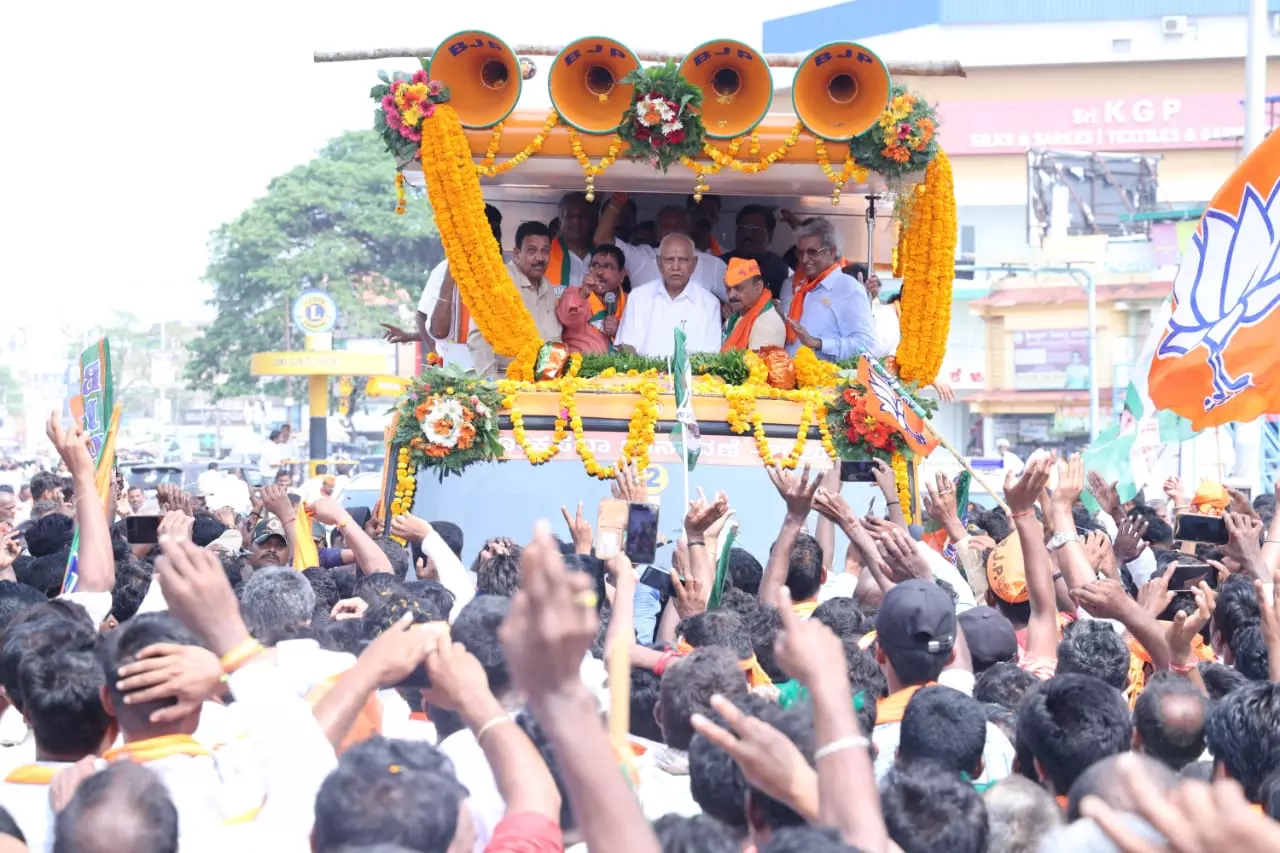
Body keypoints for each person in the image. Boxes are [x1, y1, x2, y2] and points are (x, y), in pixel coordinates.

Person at [467, 221, 563, 378]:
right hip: (504, 380)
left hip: (540, 384)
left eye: (545, 251)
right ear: (517, 254)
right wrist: (490, 384)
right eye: (532, 250)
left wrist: (550, 381)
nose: (540, 257)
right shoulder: (499, 282)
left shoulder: (548, 287)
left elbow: (554, 336)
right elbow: (479, 337)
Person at [596, 194, 729, 303]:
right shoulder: (642, 258)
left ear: (689, 229)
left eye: (678, 225)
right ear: (657, 231)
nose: (672, 230)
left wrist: (723, 308)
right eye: (666, 225)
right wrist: (617, 200)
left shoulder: (712, 264)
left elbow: (739, 299)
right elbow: (601, 240)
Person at [782, 218, 876, 363]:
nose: (804, 259)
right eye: (800, 253)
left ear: (831, 252)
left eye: (812, 252)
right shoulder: (804, 288)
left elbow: (865, 346)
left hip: (829, 383)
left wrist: (819, 343)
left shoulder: (848, 289)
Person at [614, 234, 722, 358]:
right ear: (659, 263)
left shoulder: (709, 303)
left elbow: (710, 354)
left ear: (694, 264)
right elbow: (625, 345)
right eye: (669, 260)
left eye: (683, 260)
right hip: (643, 375)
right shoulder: (638, 297)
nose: (676, 267)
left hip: (691, 376)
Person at [556, 245, 628, 355]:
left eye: (608, 266)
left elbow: (643, 340)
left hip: (621, 370)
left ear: (622, 274)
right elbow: (566, 319)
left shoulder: (631, 302)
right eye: (595, 265)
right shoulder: (576, 293)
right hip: (579, 367)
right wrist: (583, 293)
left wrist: (620, 330)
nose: (599, 272)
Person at [721, 205, 791, 300]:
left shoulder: (780, 268)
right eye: (742, 228)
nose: (747, 234)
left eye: (755, 229)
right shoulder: (721, 265)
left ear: (769, 236)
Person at [721, 259, 786, 353]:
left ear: (758, 287)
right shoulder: (736, 315)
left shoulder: (768, 324)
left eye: (738, 288)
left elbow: (757, 366)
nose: (731, 295)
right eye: (728, 288)